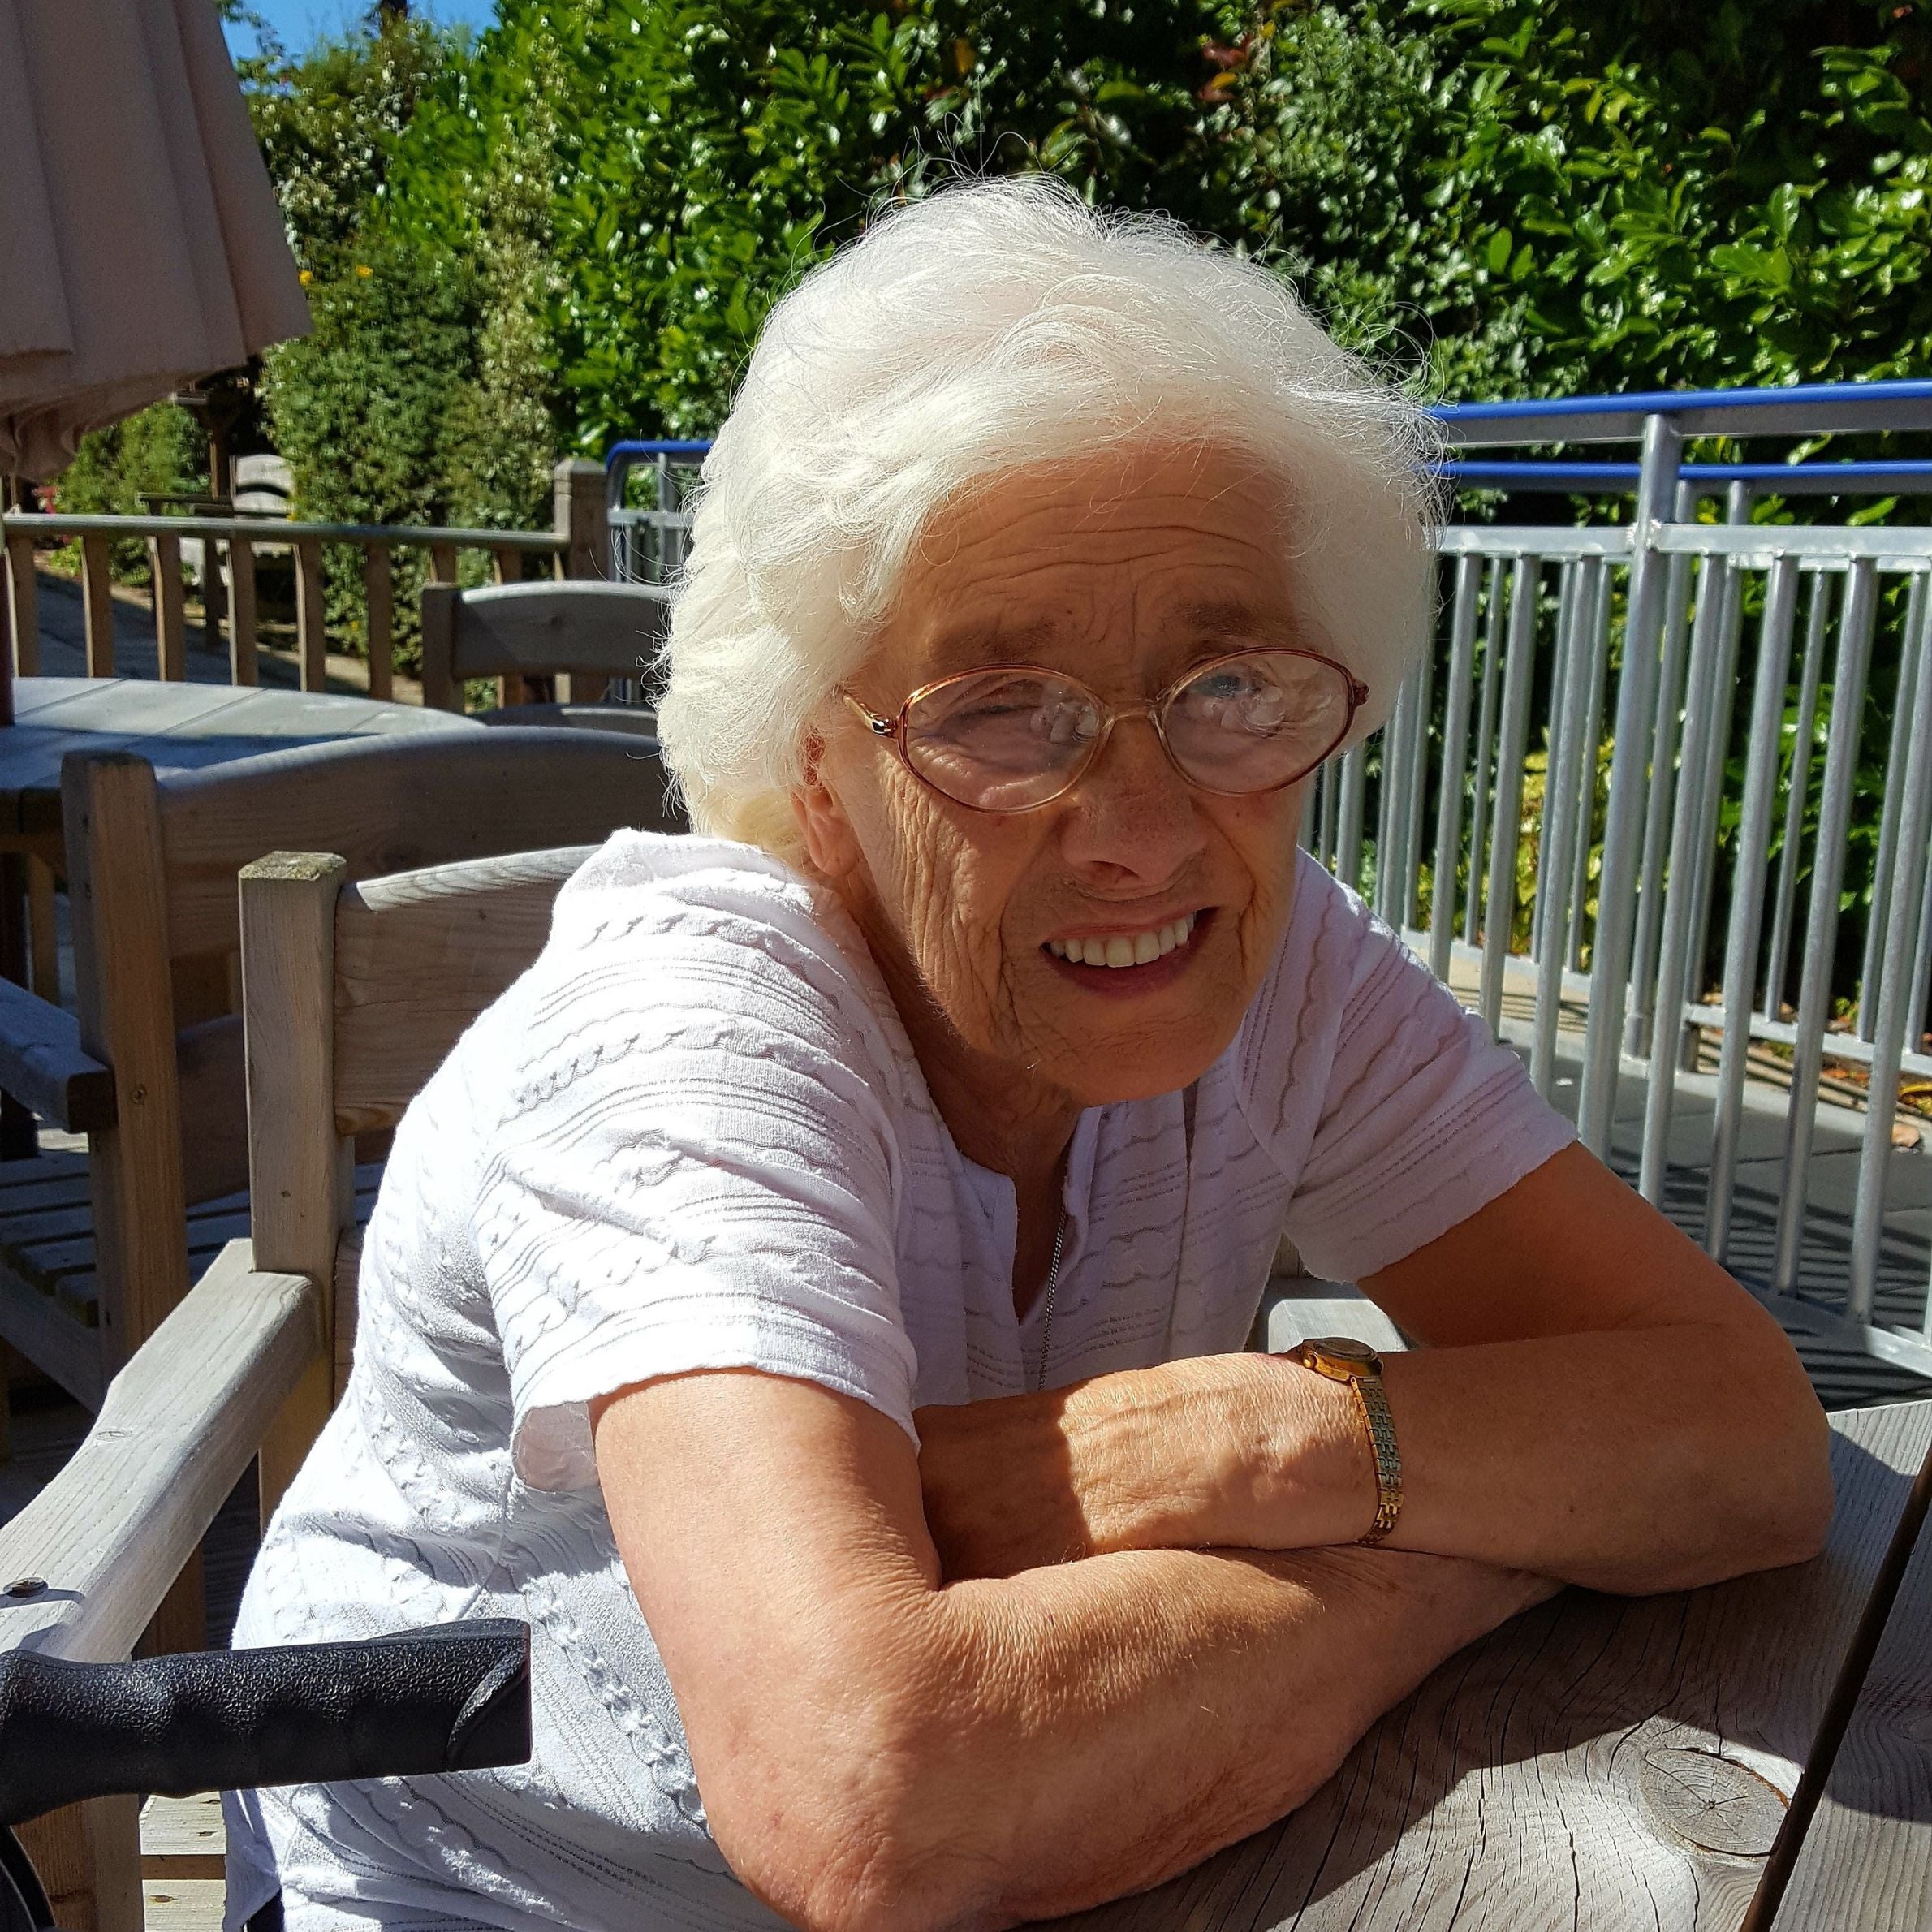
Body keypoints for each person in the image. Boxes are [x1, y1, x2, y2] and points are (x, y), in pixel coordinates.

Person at [225, 179, 1832, 1932]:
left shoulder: (1279, 953)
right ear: (814, 759)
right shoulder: (688, 1034)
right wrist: (1473, 1539)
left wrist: (1243, 1437)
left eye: (1230, 685)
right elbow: (880, 1793)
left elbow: (1744, 1436)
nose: (1144, 831)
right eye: (1001, 708)